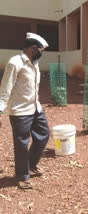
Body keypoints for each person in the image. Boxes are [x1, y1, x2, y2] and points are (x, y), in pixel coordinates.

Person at [0, 33, 50, 189]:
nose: (42, 53)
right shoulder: (15, 63)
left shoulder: (34, 63)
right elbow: (5, 88)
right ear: (33, 48)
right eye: (41, 50)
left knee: (43, 135)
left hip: (35, 108)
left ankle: (31, 164)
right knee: (22, 143)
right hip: (20, 111)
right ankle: (22, 176)